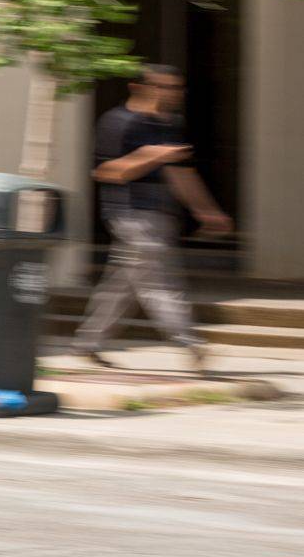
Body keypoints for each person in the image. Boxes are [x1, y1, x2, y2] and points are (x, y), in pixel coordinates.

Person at [74, 64, 231, 371]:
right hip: (130, 214)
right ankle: (190, 343)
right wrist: (151, 155)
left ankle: (87, 343)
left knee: (122, 286)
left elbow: (181, 174)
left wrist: (207, 211)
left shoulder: (169, 124)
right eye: (164, 87)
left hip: (160, 216)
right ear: (139, 87)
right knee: (159, 280)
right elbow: (107, 172)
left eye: (176, 88)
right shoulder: (118, 122)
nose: (172, 94)